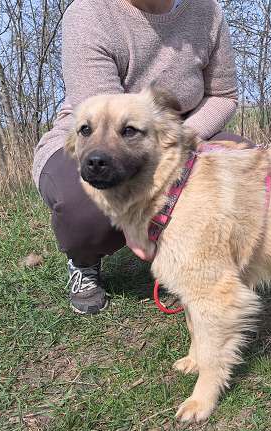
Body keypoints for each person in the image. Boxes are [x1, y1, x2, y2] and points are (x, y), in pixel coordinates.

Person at [33, 0, 244, 314]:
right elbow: (104, 124)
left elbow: (223, 96)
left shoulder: (206, 11)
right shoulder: (89, 12)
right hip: (96, 137)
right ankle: (84, 261)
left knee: (244, 168)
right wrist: (139, 222)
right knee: (84, 207)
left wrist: (181, 139)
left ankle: (215, 256)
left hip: (178, 130)